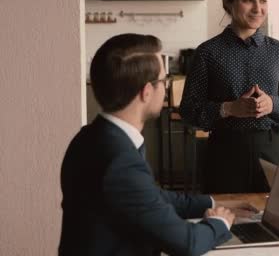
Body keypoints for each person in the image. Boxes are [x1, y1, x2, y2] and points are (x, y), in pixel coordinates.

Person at [59, 34, 258, 256]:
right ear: (146, 92)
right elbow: (187, 244)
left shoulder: (89, 138)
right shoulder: (119, 161)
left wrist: (213, 202)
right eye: (164, 81)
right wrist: (220, 222)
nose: (165, 88)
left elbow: (151, 197)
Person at [180, 0, 279, 194]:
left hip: (272, 152)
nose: (258, 8)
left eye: (263, 0)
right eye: (248, 0)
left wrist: (272, 104)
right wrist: (228, 108)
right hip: (224, 156)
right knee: (225, 224)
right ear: (228, 2)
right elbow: (189, 111)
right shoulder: (207, 52)